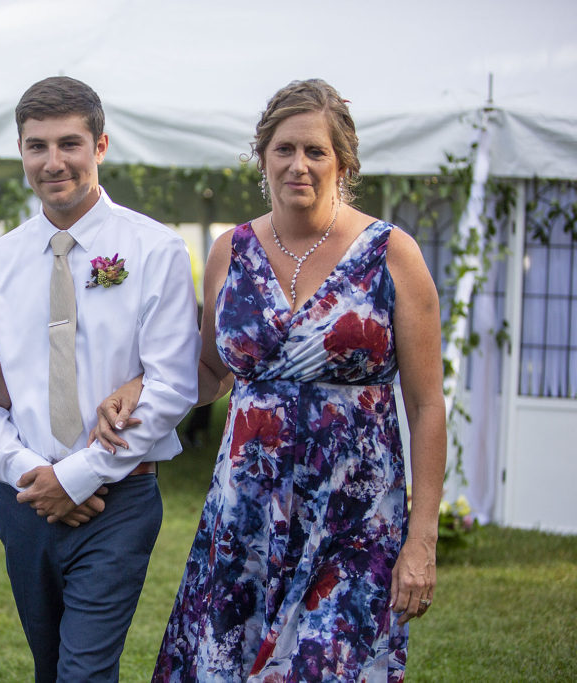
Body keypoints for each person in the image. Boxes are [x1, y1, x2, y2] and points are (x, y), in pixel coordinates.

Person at [96, 79, 447, 681]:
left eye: (315, 151)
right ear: (263, 158)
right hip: (247, 516)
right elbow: (209, 372)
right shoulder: (230, 252)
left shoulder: (393, 254)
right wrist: (141, 385)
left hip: (355, 515)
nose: (298, 164)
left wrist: (422, 539)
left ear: (343, 162)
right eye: (284, 149)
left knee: (324, 667)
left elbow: (426, 405)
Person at [0, 76, 199, 682]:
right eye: (37, 146)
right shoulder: (0, 262)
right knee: (50, 668)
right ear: (22, 153)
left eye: (69, 144)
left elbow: (171, 387)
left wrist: (78, 475)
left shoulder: (153, 250)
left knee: (84, 672)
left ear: (101, 146)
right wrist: (28, 474)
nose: (53, 162)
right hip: (24, 500)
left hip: (117, 499)